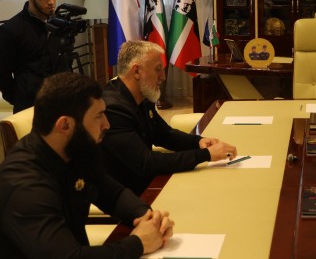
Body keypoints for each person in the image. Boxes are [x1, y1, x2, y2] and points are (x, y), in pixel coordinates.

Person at [0, 72, 174, 259]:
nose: (107, 125)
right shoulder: (23, 185)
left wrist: (146, 216)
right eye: (98, 116)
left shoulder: (76, 150)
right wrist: (139, 243)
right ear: (65, 125)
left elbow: (112, 193)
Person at [101, 40, 238, 195]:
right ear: (137, 71)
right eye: (158, 70)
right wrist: (206, 155)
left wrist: (198, 142)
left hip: (147, 182)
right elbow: (145, 163)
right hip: (128, 193)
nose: (163, 77)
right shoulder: (113, 109)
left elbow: (164, 134)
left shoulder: (142, 96)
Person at [0, 0, 71, 113]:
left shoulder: (59, 24)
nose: (51, 2)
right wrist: (20, 98)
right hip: (30, 107)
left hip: (62, 101)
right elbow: (0, 74)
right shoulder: (10, 30)